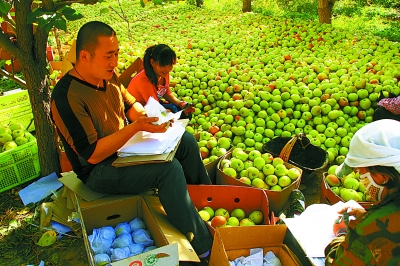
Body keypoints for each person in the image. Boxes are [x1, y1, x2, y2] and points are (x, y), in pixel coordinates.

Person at [50, 21, 212, 264]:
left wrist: (152, 119)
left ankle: (207, 202)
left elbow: (130, 105)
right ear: (85, 56)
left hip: (126, 148)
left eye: (116, 53)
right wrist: (136, 128)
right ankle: (204, 245)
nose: (115, 62)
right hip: (99, 169)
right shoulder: (66, 96)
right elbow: (91, 154)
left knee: (185, 140)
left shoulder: (109, 77)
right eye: (108, 55)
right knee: (168, 171)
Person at [324, 119, 400, 265]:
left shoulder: (366, 230)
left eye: (361, 173)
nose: (362, 182)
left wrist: (344, 234)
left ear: (383, 178)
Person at [126, 44, 194, 119]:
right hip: (139, 111)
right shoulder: (144, 81)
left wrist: (180, 103)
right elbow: (154, 106)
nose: (167, 69)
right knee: (173, 113)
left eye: (170, 65)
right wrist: (165, 112)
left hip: (153, 105)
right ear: (152, 62)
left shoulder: (163, 74)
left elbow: (166, 92)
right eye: (163, 65)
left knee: (185, 113)